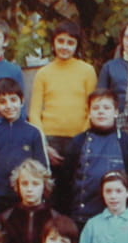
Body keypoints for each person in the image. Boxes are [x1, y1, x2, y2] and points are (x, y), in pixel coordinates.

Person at [57, 89, 128, 229]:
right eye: (96, 108)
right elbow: (64, 183)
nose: (101, 112)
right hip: (80, 218)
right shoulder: (78, 142)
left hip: (119, 219)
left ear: (116, 112)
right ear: (89, 113)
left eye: (106, 108)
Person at [0, 77, 49, 215]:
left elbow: (43, 170)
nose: (8, 106)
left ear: (22, 100)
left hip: (24, 201)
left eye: (13, 100)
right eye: (2, 102)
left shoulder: (34, 133)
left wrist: (41, 200)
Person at [30, 20, 96, 165]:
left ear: (77, 45)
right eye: (60, 41)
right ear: (53, 42)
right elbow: (34, 112)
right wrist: (43, 144)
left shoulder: (87, 71)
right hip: (49, 139)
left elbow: (92, 109)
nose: (64, 46)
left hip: (78, 138)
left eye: (70, 43)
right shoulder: (43, 73)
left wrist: (83, 138)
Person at [0, 159, 58, 243]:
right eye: (24, 184)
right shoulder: (6, 218)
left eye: (35, 184)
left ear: (44, 186)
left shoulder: (54, 218)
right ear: (17, 186)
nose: (29, 189)